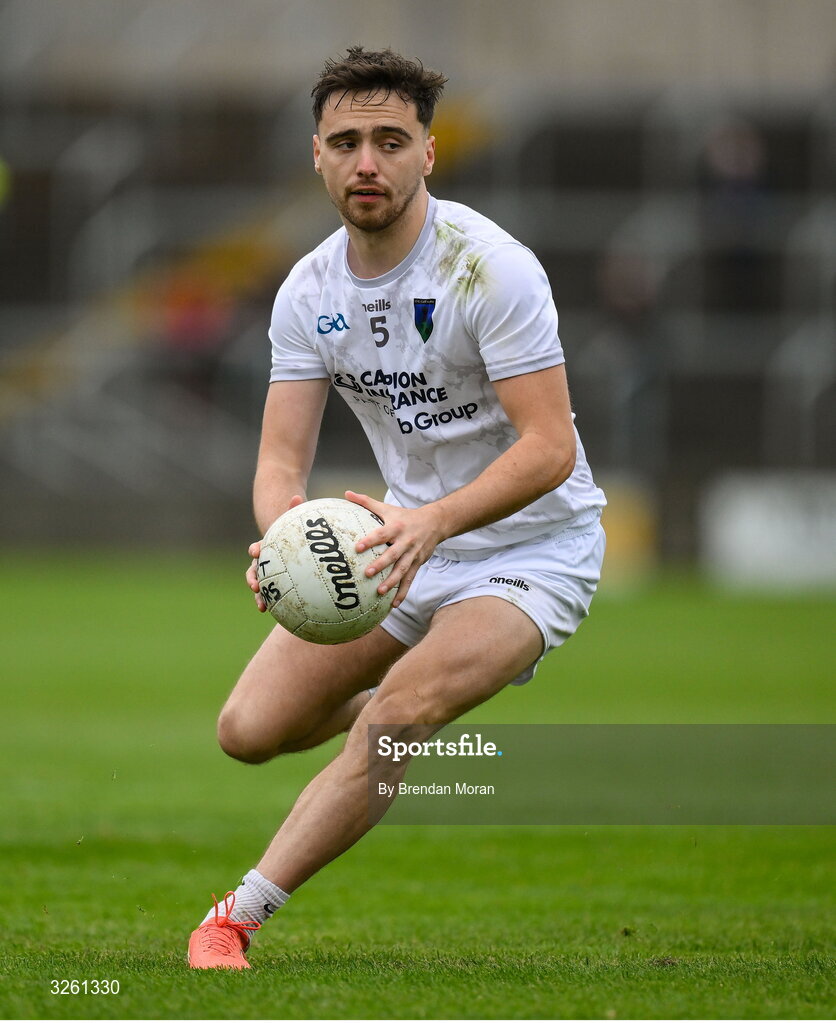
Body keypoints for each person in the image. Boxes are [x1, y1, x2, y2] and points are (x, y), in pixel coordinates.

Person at [188, 45, 607, 970]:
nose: (366, 160)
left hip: (533, 549)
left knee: (392, 725)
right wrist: (280, 541)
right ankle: (412, 697)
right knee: (249, 732)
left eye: (389, 139)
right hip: (399, 541)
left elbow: (552, 449)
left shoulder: (489, 268)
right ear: (318, 157)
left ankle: (233, 917)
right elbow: (279, 459)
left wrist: (434, 523)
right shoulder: (306, 291)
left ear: (428, 153)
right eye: (346, 141)